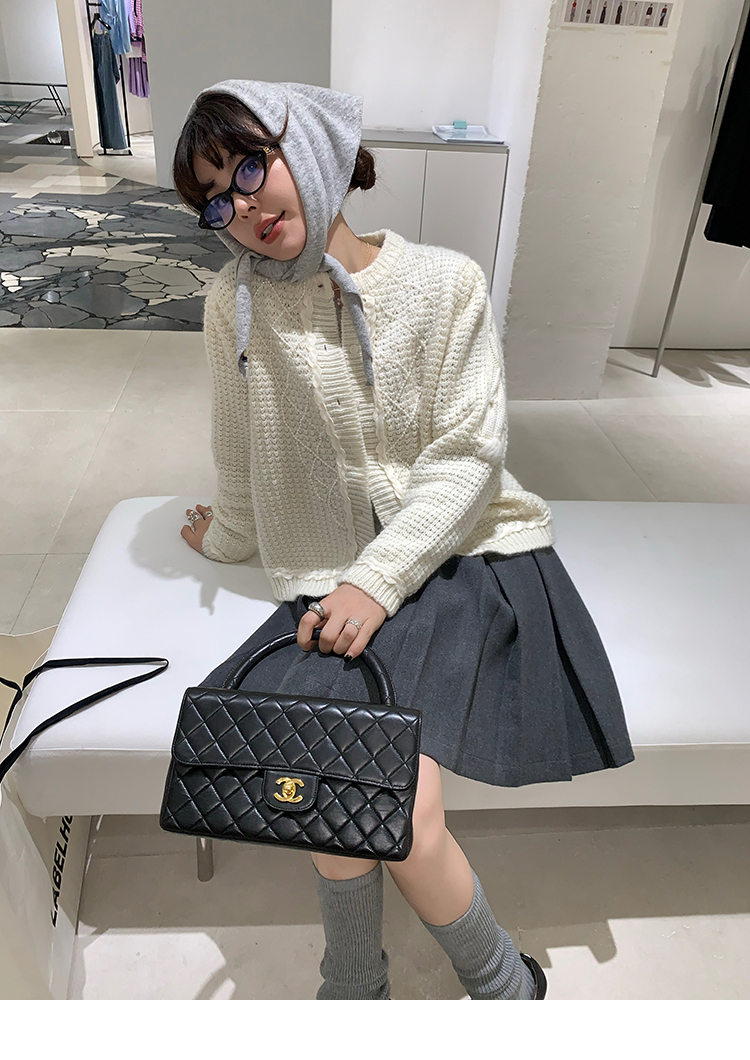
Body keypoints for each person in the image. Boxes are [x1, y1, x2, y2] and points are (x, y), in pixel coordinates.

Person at [171, 79, 636, 1001]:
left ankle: (502, 987)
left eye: (251, 167)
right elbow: (239, 446)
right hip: (336, 575)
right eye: (216, 198)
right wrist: (226, 534)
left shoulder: (445, 283)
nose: (243, 208)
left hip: (470, 559)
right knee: (327, 775)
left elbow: (469, 458)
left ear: (310, 148)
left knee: (402, 806)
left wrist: (376, 582)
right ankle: (356, 986)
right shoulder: (234, 303)